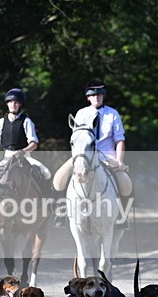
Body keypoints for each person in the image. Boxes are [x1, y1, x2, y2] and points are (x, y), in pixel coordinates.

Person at [52, 79, 132, 228]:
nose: (97, 97)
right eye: (93, 95)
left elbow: (119, 139)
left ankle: (121, 216)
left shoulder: (112, 114)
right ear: (88, 97)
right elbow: (77, 138)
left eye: (100, 95)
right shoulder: (81, 114)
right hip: (83, 156)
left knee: (126, 184)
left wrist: (120, 161)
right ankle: (61, 213)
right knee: (58, 179)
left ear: (103, 96)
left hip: (107, 157)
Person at [0, 88, 52, 196]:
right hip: (7, 157)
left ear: (20, 104)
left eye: (16, 102)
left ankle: (50, 203)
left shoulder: (26, 121)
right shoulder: (1, 122)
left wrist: (22, 151)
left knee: (46, 172)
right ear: (7, 104)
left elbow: (34, 144)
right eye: (10, 102)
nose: (13, 104)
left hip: (25, 157)